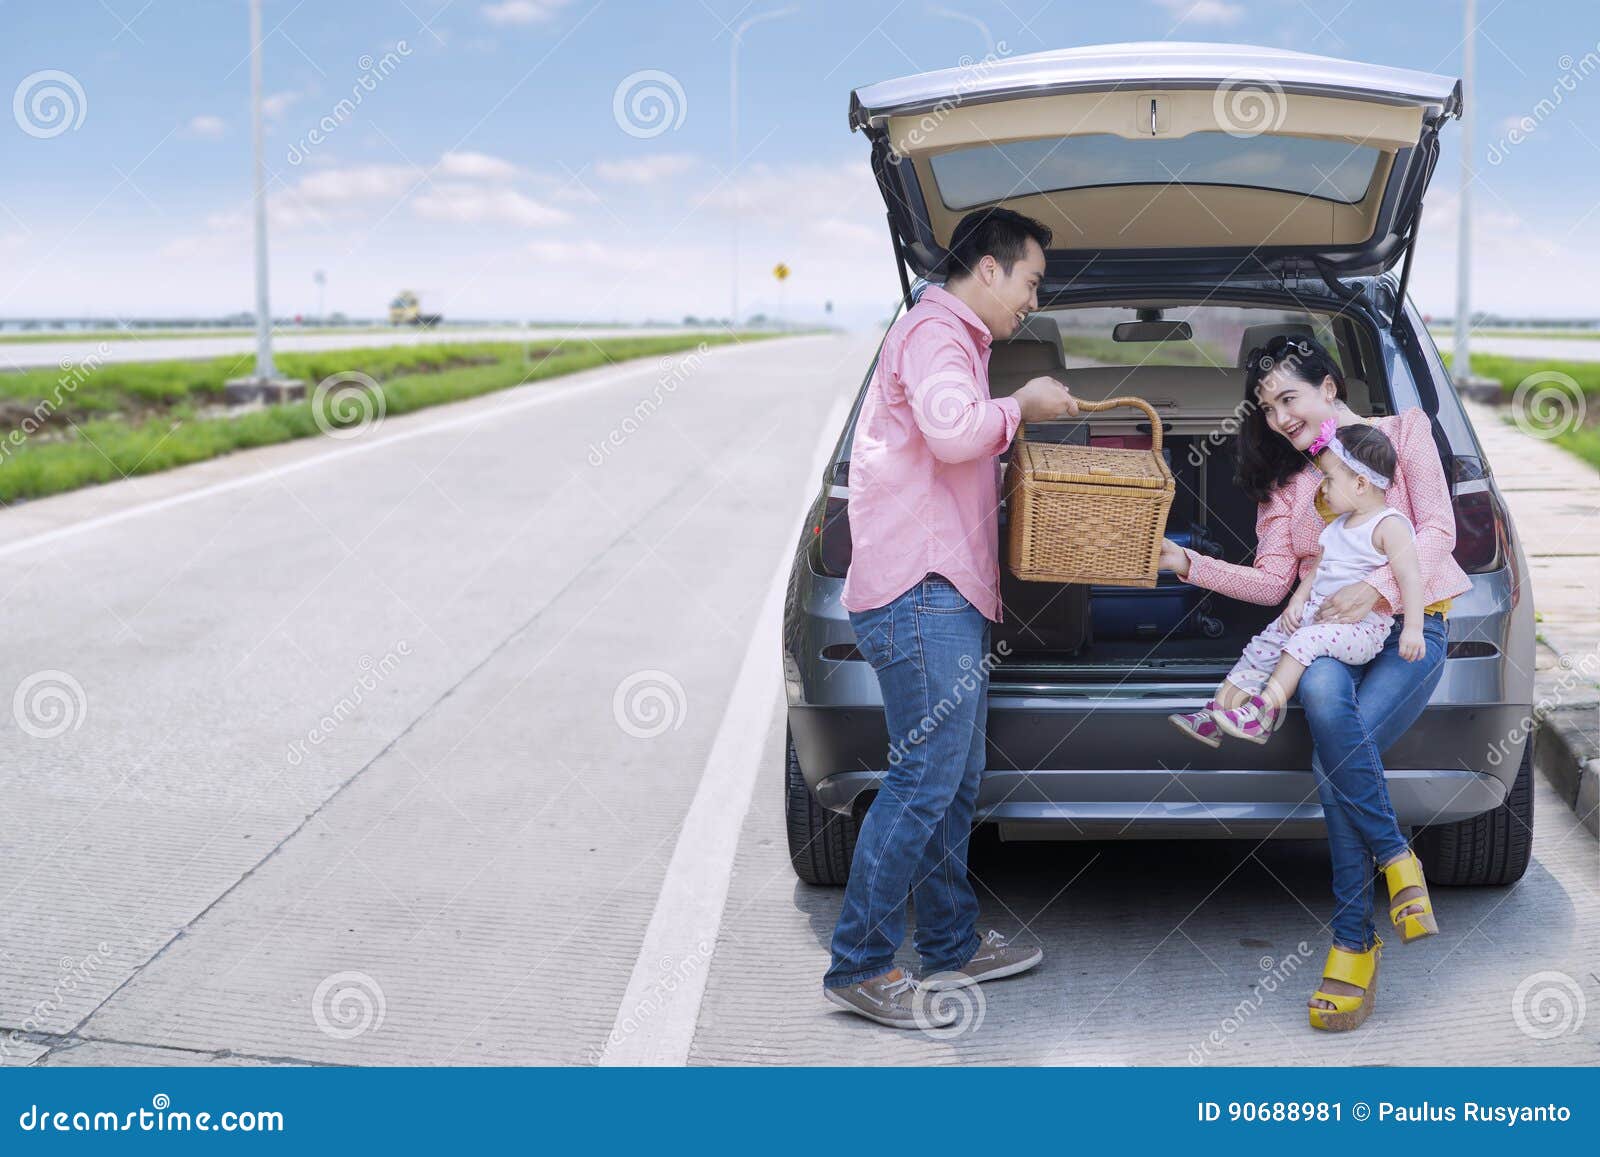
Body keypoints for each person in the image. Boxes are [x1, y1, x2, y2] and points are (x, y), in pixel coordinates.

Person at [1157, 334, 1471, 1032]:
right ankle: (1397, 863)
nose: (1277, 417)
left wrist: (1378, 586)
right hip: (1327, 635)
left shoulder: (1403, 432)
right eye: (1265, 406)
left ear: (1330, 387)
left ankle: (1353, 940)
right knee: (1325, 699)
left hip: (1412, 625)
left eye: (1287, 398)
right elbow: (1273, 581)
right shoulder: (1287, 481)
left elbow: (1440, 531)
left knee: (1334, 763)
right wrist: (1186, 562)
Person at [824, 207, 1077, 1029]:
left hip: (946, 592)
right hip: (918, 590)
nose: (1033, 300)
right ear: (992, 267)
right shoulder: (937, 333)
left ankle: (949, 942)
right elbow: (952, 430)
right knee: (925, 780)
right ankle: (860, 962)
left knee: (953, 778)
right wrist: (1024, 405)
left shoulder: (956, 339)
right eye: (1032, 281)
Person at [1170, 420, 1426, 746]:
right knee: (1265, 643)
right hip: (1317, 614)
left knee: (1303, 641)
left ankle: (1263, 716)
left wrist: (1413, 628)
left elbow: (1410, 576)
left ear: (1361, 484)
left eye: (1330, 480)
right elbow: (1320, 567)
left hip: (1362, 628)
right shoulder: (1339, 526)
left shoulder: (1390, 526)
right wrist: (1297, 600)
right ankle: (1216, 714)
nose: (1323, 488)